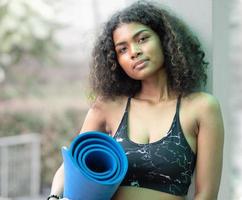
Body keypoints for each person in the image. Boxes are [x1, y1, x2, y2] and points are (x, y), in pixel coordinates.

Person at [48, 1, 224, 200]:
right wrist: (54, 197)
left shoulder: (202, 107)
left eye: (142, 39)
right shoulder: (107, 107)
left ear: (164, 39)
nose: (134, 52)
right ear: (116, 60)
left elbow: (206, 194)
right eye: (122, 49)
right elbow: (70, 165)